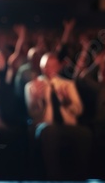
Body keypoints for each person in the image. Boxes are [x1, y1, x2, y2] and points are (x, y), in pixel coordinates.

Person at [25, 52, 91, 180]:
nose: (49, 69)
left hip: (67, 125)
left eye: (52, 65)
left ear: (58, 67)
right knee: (50, 131)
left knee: (85, 133)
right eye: (46, 66)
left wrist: (68, 103)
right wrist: (37, 100)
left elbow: (79, 111)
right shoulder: (32, 87)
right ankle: (54, 178)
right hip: (45, 127)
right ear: (41, 67)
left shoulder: (68, 85)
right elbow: (33, 114)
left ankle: (81, 177)